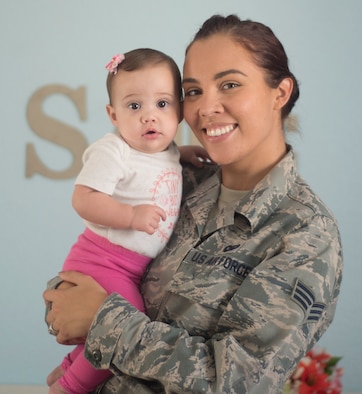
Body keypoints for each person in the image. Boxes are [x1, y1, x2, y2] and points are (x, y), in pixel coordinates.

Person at [44, 14, 343, 393]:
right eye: (194, 91)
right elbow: (82, 279)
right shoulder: (178, 180)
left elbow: (236, 381)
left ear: (279, 93)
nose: (206, 108)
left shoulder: (304, 234)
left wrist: (101, 321)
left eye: (230, 85)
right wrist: (65, 304)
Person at [46, 48, 208, 394]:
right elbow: (84, 198)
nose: (150, 117)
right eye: (135, 106)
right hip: (101, 260)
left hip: (131, 267)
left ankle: (68, 369)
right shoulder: (113, 151)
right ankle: (70, 387)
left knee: (100, 327)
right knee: (123, 320)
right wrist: (130, 215)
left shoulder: (165, 151)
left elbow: (155, 167)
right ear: (113, 114)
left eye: (162, 104)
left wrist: (183, 155)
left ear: (178, 111)